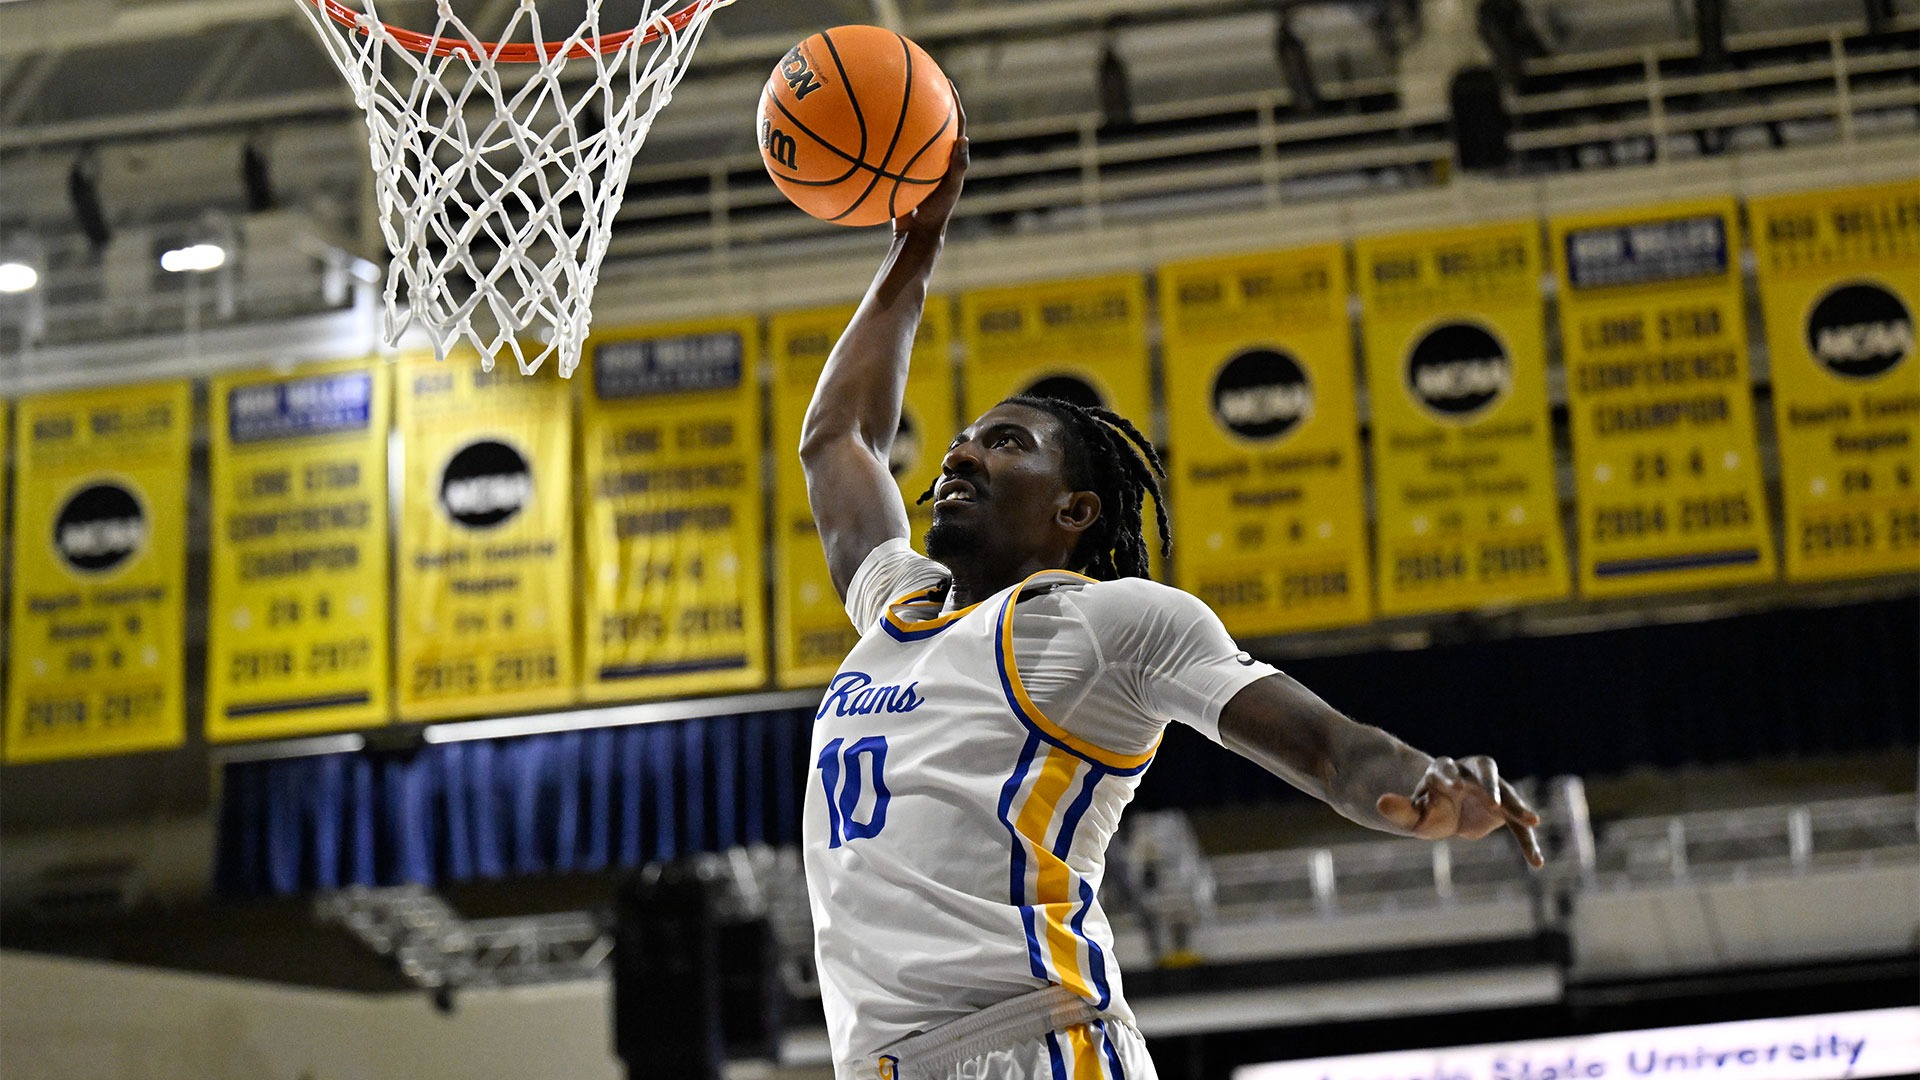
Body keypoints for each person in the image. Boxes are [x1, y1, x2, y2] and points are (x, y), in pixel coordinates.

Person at [797, 108, 1544, 1080]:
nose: (961, 451)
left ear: (1074, 512)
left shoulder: (1105, 626)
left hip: (1033, 1049)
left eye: (1006, 442)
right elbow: (836, 442)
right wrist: (918, 243)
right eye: (963, 438)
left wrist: (1418, 783)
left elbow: (1325, 745)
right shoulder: (896, 606)